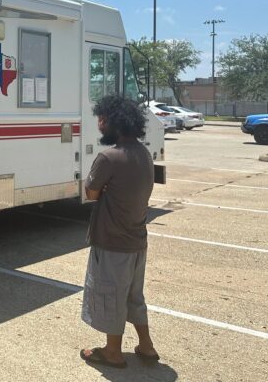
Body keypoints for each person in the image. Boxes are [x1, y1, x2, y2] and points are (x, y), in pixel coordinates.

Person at [80, 95, 159, 369]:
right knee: (134, 295)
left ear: (115, 122)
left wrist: (100, 189)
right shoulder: (143, 153)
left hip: (112, 242)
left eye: (102, 119)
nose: (99, 124)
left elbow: (91, 193)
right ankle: (146, 346)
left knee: (109, 294)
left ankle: (113, 352)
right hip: (137, 240)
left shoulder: (108, 157)